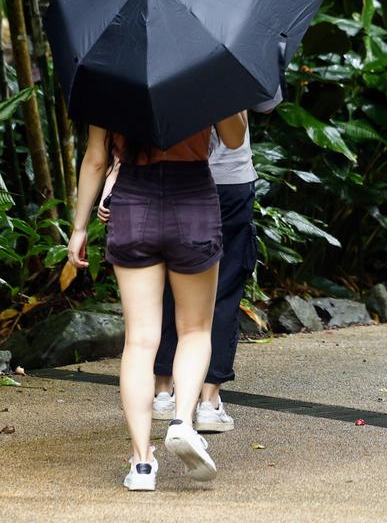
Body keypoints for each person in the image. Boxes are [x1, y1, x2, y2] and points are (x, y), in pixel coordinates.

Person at [69, 114, 247, 492]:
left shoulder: (113, 70)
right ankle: (182, 421)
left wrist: (79, 227)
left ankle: (142, 464)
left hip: (133, 200)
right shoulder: (205, 65)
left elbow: (96, 158)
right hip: (194, 197)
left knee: (139, 340)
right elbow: (233, 139)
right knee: (195, 329)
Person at [99, 93, 280, 432]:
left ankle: (164, 390)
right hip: (223, 178)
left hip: (154, 178)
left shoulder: (139, 50)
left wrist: (112, 179)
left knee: (160, 288)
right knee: (220, 292)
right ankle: (208, 401)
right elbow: (266, 102)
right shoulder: (232, 46)